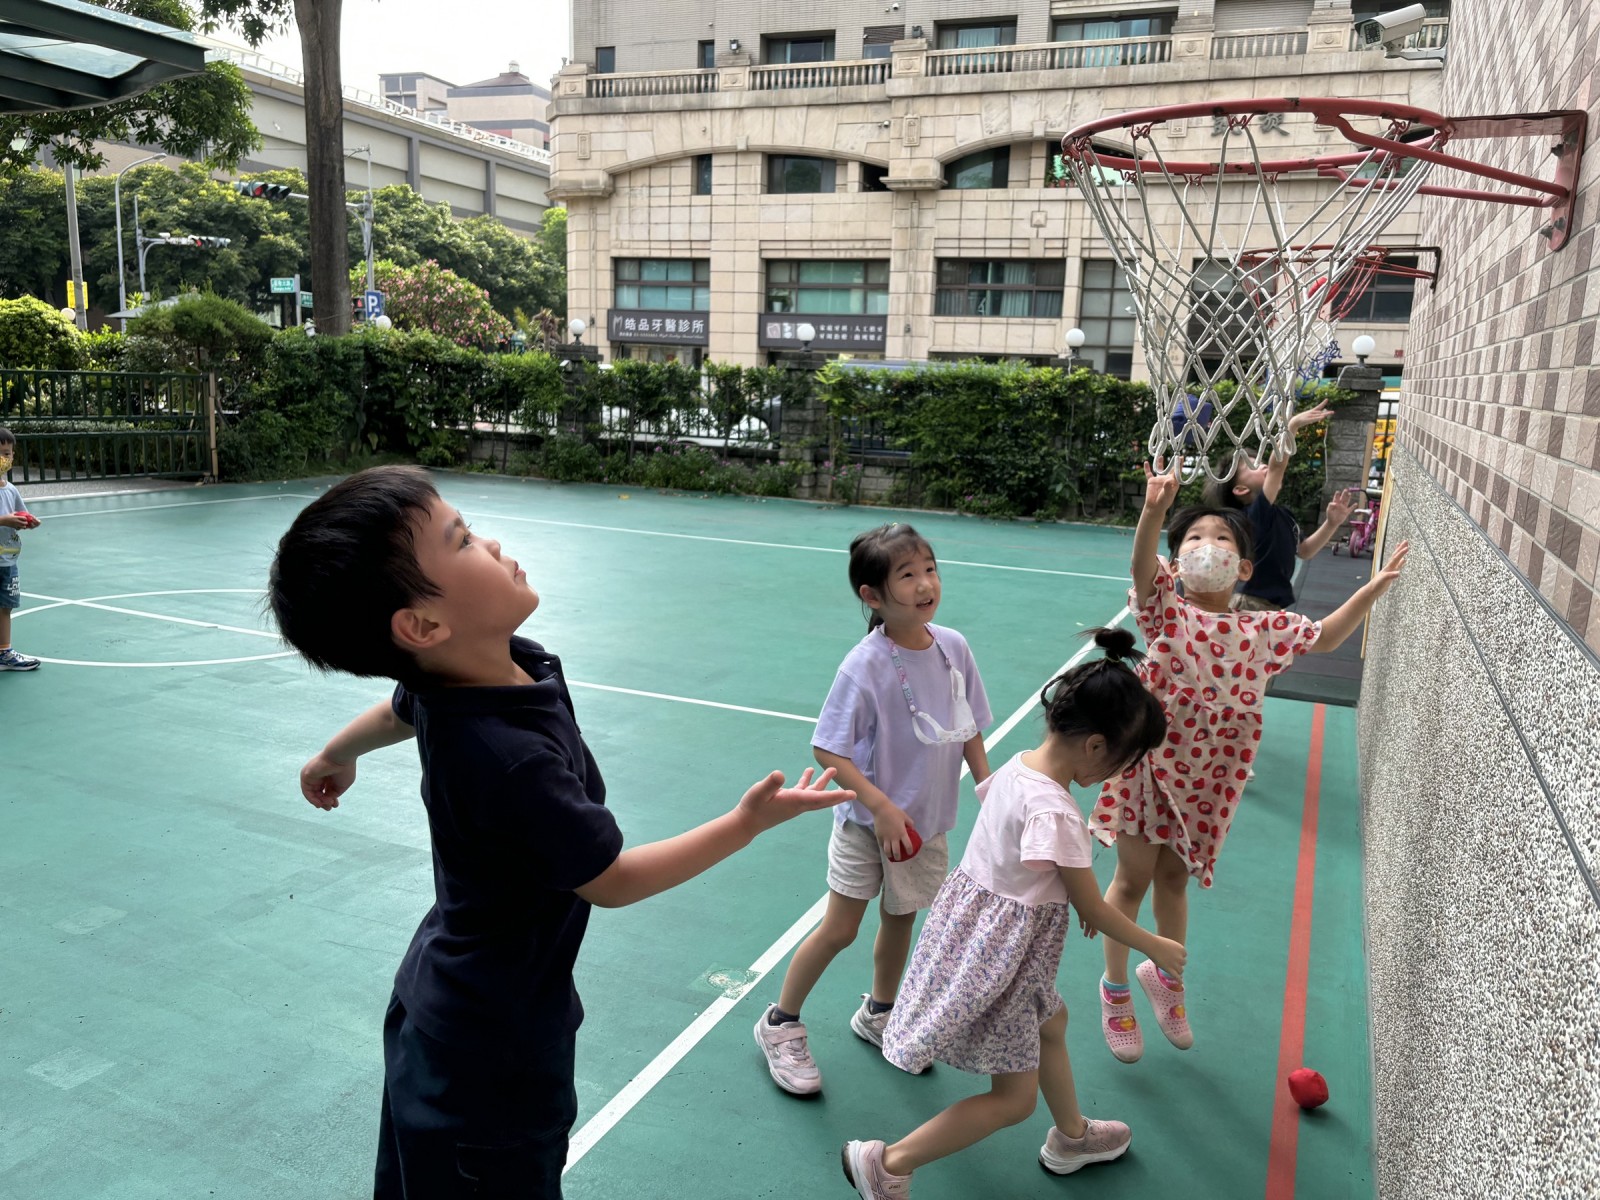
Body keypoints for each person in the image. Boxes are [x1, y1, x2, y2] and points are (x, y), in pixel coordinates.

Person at [268, 465, 851, 1200]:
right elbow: (613, 880)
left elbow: (400, 708)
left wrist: (335, 753)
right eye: (462, 540)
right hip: (488, 1053)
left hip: (461, 1004)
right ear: (422, 627)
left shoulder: (489, 668)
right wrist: (745, 824)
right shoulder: (509, 761)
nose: (491, 543)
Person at [839, 629, 1185, 1199]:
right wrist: (1155, 946)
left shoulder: (1016, 769)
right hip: (1007, 959)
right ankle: (887, 1163)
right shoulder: (1058, 813)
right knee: (1013, 1101)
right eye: (1123, 762)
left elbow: (1035, 867)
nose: (1118, 774)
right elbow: (1092, 904)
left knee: (1052, 1022)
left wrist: (1067, 893)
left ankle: (1073, 1136)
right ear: (1096, 746)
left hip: (978, 935)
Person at [1094, 462, 1408, 1064]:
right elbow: (1140, 568)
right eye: (1193, 538)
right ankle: (1115, 990)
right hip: (1150, 765)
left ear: (1243, 568)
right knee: (1131, 880)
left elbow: (1325, 636)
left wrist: (1371, 591)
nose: (1206, 546)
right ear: (1176, 563)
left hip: (1211, 777)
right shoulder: (1167, 612)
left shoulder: (1262, 630)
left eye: (1221, 539)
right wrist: (1154, 512)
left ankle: (1165, 978)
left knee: (1174, 881)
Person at [754, 522, 992, 1095]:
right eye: (907, 575)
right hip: (869, 825)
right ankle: (780, 1022)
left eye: (930, 569)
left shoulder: (953, 647)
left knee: (901, 919)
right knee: (840, 929)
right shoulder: (864, 665)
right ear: (872, 595)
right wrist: (881, 807)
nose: (925, 584)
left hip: (924, 825)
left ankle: (880, 1012)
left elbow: (969, 727)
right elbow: (828, 748)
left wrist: (990, 788)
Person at [1202, 401, 1361, 611]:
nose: (1263, 466)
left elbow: (1305, 551)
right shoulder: (1253, 515)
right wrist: (1291, 426)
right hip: (1248, 601)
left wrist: (1331, 524)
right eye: (1253, 466)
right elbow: (1276, 467)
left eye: (1260, 462)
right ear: (1240, 489)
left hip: (1270, 605)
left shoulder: (1283, 515)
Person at [0, 427, 41, 671]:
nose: (3, 459)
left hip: (8, 561)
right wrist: (4, 520)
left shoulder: (11, 490)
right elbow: (6, 519)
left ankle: (4, 652)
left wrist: (28, 522)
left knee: (5, 606)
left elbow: (20, 515)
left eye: (7, 454)